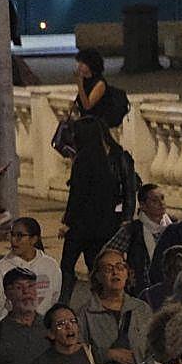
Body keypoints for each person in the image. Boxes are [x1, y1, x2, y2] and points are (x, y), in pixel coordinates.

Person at [58, 120, 121, 299]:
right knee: (95, 266)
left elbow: (78, 195)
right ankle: (101, 299)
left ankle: (63, 300)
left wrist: (67, 223)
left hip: (81, 226)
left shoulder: (83, 160)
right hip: (102, 227)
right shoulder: (104, 160)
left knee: (67, 266)